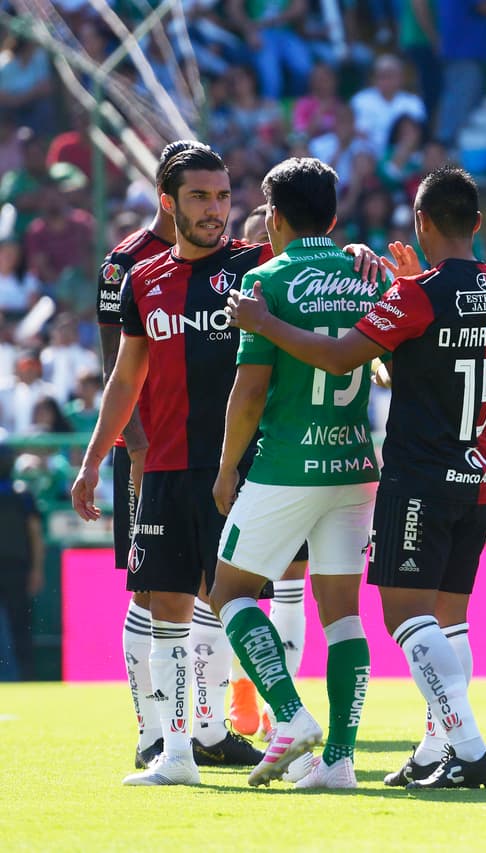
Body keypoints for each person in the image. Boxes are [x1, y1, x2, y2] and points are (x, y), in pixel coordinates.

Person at [229, 166, 486, 790]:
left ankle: (467, 748)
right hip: (476, 472)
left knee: (406, 618)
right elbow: (426, 355)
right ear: (477, 223)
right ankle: (417, 751)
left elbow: (339, 356)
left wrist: (264, 322)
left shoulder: (411, 295)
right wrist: (400, 283)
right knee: (443, 622)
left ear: (422, 222)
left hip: (417, 476)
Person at [71, 145, 271, 785]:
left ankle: (273, 725)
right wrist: (94, 459)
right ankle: (173, 751)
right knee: (164, 606)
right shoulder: (142, 277)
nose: (215, 209)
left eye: (222, 196)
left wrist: (352, 256)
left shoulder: (257, 267)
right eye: (200, 197)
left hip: (236, 470)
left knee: (234, 601)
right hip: (160, 467)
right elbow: (125, 376)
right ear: (168, 202)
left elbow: (319, 274)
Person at [208, 157, 383, 790]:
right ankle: (340, 760)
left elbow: (250, 391)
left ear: (273, 217)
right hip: (355, 465)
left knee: (230, 591)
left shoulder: (266, 282)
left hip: (287, 464)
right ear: (333, 218)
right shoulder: (370, 277)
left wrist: (227, 467)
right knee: (342, 615)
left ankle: (288, 714)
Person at [225, 203, 311, 743]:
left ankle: (283, 707)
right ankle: (241, 692)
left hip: (287, 449)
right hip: (242, 444)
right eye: (252, 242)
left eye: (269, 237)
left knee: (290, 584)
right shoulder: (234, 289)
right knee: (233, 584)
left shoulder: (295, 290)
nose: (265, 249)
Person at [0, 444, 42, 680]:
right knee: (20, 626)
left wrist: (36, 570)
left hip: (17, 568)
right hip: (18, 568)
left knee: (20, 626)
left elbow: (34, 533)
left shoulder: (21, 493)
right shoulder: (21, 493)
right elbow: (35, 533)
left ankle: (26, 676)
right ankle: (25, 674)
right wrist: (36, 569)